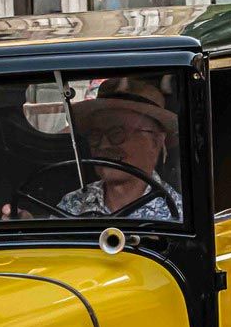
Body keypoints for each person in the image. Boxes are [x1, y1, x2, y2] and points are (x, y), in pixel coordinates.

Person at [55, 76, 182, 220]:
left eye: (117, 133)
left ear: (155, 142)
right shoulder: (72, 206)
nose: (103, 145)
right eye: (96, 135)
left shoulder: (177, 215)